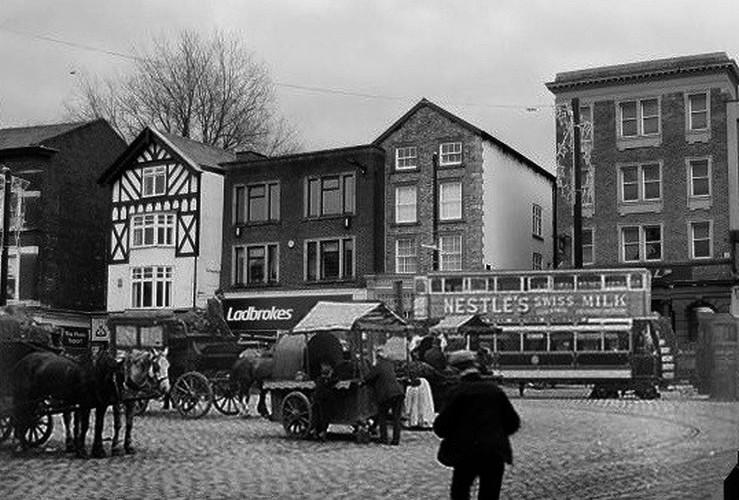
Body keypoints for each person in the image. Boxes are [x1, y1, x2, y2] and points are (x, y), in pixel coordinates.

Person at [433, 351, 520, 500]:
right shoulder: (494, 391)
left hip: (465, 452)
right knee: (490, 494)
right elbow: (513, 422)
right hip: (494, 451)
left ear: (456, 370)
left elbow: (441, 427)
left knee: (460, 491)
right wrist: (496, 432)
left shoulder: (456, 393)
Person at [361, 345, 404, 445]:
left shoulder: (378, 366)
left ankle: (384, 439)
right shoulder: (389, 364)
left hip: (386, 395)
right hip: (398, 392)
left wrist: (363, 381)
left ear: (378, 357)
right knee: (396, 418)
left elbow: (369, 378)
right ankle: (395, 440)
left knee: (382, 416)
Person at [311, 362, 337, 441]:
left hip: (317, 399)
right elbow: (333, 381)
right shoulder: (327, 381)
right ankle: (322, 432)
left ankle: (315, 430)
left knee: (317, 414)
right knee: (324, 415)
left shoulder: (318, 380)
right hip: (325, 400)